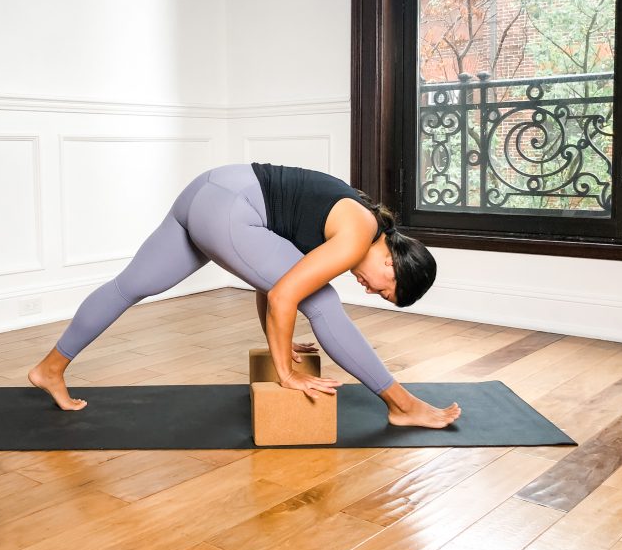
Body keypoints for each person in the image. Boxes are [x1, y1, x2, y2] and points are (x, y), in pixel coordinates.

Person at [28, 162, 461, 429]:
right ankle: (402, 405)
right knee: (324, 303)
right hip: (230, 207)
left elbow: (268, 277)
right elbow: (282, 295)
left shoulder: (353, 220)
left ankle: (50, 368)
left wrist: (280, 338)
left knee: (129, 286)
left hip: (207, 191)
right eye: (381, 289)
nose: (368, 288)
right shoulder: (357, 236)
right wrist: (285, 372)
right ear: (392, 265)